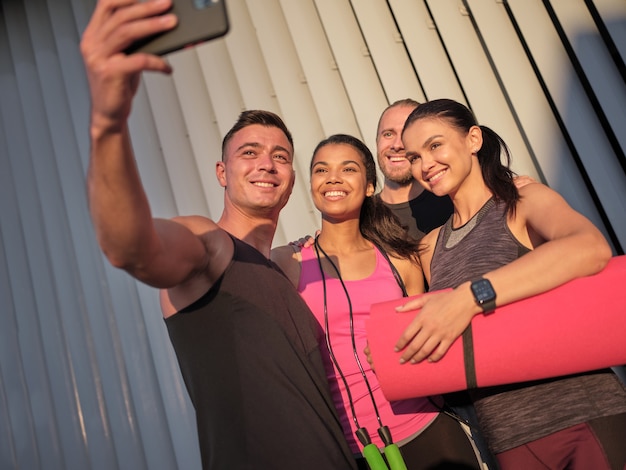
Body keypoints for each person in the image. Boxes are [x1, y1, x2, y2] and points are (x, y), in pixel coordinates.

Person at [80, 1, 357, 468]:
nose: (267, 163)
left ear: (292, 178)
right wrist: (108, 125)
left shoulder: (285, 273)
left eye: (281, 156)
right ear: (222, 172)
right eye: (249, 152)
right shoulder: (209, 244)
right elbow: (130, 248)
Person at [390, 98, 626, 469]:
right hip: (506, 439)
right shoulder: (430, 247)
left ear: (473, 139)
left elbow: (590, 247)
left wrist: (473, 295)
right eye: (414, 157)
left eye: (434, 145)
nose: (425, 164)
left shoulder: (522, 200)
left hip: (583, 414)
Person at [272, 134, 484, 469]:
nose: (333, 178)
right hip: (347, 447)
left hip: (427, 426)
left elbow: (433, 339)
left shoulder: (400, 259)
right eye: (321, 170)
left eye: (348, 168)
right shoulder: (287, 262)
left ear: (370, 186)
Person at [374, 99, 454, 240]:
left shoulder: (454, 202)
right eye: (388, 134)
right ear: (377, 142)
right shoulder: (361, 218)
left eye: (406, 134)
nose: (397, 145)